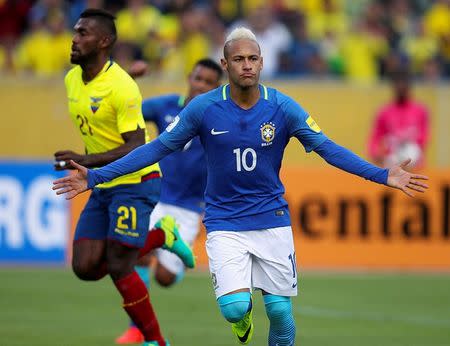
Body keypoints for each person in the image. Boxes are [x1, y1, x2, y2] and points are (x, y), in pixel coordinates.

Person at [53, 27, 429, 346]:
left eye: (253, 58)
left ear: (262, 63)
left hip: (271, 218)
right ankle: (239, 319)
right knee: (235, 307)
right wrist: (96, 175)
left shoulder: (282, 107)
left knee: (280, 312)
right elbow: (154, 148)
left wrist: (383, 175)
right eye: (238, 59)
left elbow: (328, 149)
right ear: (225, 65)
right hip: (224, 221)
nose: (246, 65)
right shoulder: (202, 109)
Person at [54, 9, 194, 346]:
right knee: (85, 268)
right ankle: (161, 236)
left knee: (120, 265)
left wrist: (83, 159)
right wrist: (85, 161)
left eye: (83, 33)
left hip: (136, 181)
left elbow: (135, 145)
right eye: (75, 31)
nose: (74, 38)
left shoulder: (123, 88)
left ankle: (155, 341)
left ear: (103, 41)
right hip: (102, 182)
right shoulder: (72, 79)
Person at [116, 58, 223, 344]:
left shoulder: (218, 119)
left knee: (164, 277)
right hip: (155, 197)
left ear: (217, 87)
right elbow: (126, 109)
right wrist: (128, 78)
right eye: (198, 78)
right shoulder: (165, 106)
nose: (200, 86)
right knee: (136, 253)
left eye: (208, 83)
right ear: (189, 77)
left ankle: (175, 251)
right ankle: (136, 329)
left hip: (189, 208)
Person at [367, 69, 430, 168]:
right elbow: (375, 136)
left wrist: (410, 143)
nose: (400, 88)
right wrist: (375, 153)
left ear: (408, 87)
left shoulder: (420, 110)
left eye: (403, 85)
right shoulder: (384, 111)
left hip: (415, 164)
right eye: (398, 85)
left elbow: (424, 136)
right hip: (392, 163)